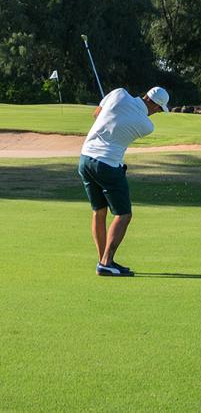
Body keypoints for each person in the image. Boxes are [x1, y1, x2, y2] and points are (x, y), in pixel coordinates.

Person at [77, 85, 170, 276]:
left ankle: (103, 260)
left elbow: (96, 114)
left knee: (99, 211)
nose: (156, 113)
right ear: (154, 105)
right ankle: (106, 262)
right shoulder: (146, 126)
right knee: (124, 215)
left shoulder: (118, 93)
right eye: (159, 109)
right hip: (108, 165)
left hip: (85, 159)